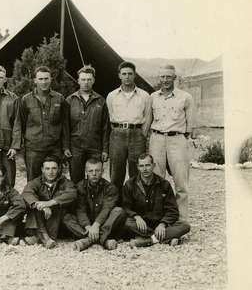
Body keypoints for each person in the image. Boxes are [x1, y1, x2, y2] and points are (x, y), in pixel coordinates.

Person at [149, 65, 196, 222]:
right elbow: (148, 120)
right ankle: (158, 218)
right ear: (159, 78)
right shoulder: (153, 97)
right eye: (162, 77)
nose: (165, 80)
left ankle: (181, 220)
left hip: (177, 139)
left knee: (180, 181)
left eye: (169, 77)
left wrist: (181, 136)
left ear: (174, 78)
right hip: (156, 139)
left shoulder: (185, 97)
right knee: (156, 180)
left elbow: (190, 124)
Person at [122, 153, 190, 248]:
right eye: (141, 166)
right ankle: (166, 238)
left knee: (185, 225)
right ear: (137, 167)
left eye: (147, 165)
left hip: (160, 223)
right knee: (126, 223)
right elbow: (125, 207)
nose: (145, 169)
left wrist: (162, 224)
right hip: (141, 225)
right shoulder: (130, 185)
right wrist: (137, 217)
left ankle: (148, 240)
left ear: (153, 166)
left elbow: (172, 210)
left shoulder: (164, 184)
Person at [106, 62, 151, 196]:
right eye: (124, 74)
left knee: (137, 171)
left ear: (135, 75)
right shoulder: (112, 96)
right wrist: (115, 132)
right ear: (119, 75)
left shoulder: (144, 96)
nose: (127, 77)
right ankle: (116, 204)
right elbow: (109, 117)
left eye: (130, 74)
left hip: (137, 134)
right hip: (117, 134)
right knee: (116, 172)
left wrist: (141, 134)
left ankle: (135, 203)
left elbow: (147, 118)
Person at [19, 66, 71, 182]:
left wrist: (65, 146)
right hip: (33, 149)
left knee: (55, 180)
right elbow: (21, 124)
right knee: (33, 181)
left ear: (51, 79)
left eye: (46, 79)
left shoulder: (59, 98)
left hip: (54, 148)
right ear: (35, 80)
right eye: (41, 79)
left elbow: (65, 124)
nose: (43, 82)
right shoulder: (26, 99)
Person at [63, 158, 125, 251]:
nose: (94, 174)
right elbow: (80, 210)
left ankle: (88, 240)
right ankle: (103, 240)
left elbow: (106, 209)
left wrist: (96, 225)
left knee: (119, 211)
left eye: (97, 170)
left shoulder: (111, 188)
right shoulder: (80, 187)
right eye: (91, 171)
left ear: (102, 171)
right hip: (86, 225)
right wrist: (87, 226)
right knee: (66, 217)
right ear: (86, 172)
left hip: (104, 223)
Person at [66, 65, 110, 184]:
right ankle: (78, 202)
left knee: (94, 178)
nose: (86, 83)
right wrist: (65, 147)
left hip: (94, 147)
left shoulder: (100, 101)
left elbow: (105, 127)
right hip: (75, 147)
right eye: (83, 79)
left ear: (93, 81)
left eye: (89, 79)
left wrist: (105, 149)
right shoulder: (70, 100)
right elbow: (65, 127)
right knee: (76, 180)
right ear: (78, 80)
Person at [22, 156, 77, 249]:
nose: (50, 172)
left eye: (54, 168)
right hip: (41, 218)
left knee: (60, 204)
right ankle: (44, 236)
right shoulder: (37, 182)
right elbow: (26, 192)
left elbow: (73, 193)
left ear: (59, 169)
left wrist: (51, 203)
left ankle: (40, 237)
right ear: (42, 170)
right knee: (35, 203)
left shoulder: (65, 182)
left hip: (58, 224)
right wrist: (42, 205)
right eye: (47, 169)